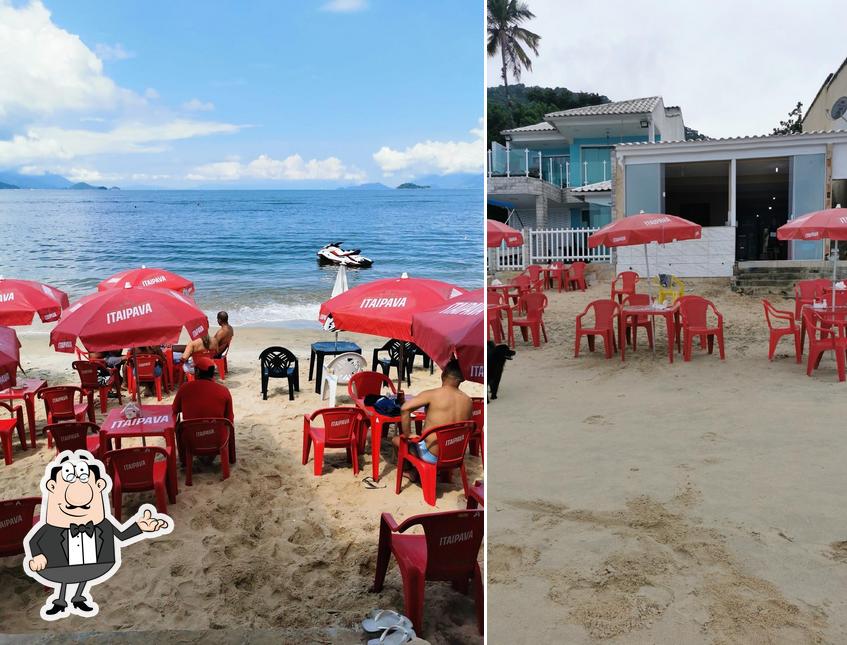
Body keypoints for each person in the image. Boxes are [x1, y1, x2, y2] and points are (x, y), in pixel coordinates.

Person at [391, 359, 473, 464]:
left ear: (443, 374)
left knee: (396, 440)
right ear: (462, 379)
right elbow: (469, 427)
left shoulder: (432, 395)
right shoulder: (468, 400)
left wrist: (408, 434)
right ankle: (418, 472)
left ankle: (410, 471)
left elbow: (405, 408)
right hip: (455, 455)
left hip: (432, 456)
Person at [171, 356, 233, 423]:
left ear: (197, 371)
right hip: (217, 432)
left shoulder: (185, 388)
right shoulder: (224, 391)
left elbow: (175, 409)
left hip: (190, 432)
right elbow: (230, 418)